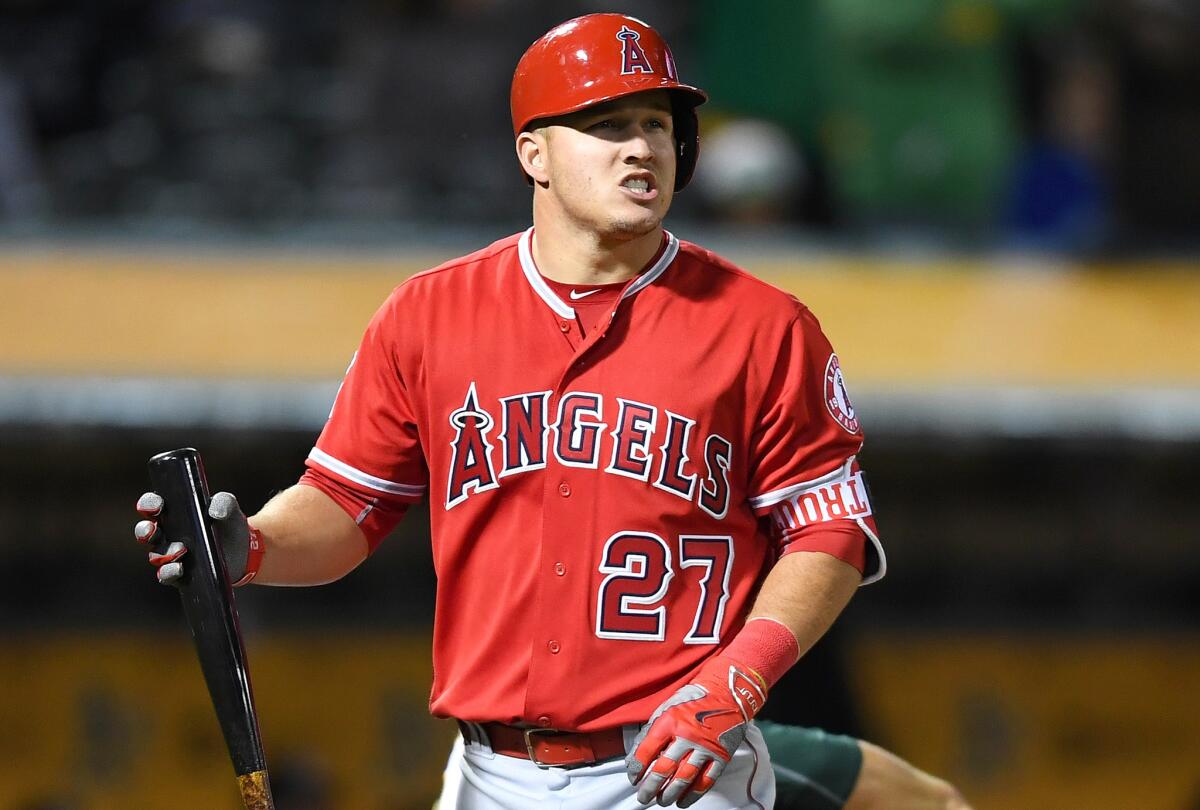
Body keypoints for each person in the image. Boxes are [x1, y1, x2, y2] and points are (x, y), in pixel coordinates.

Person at [134, 14, 886, 809]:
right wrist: (251, 545)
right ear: (534, 153)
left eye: (656, 125)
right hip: (488, 773)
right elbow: (349, 504)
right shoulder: (429, 314)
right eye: (605, 125)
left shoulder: (763, 327)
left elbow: (829, 530)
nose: (640, 147)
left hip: (682, 768)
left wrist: (738, 677)